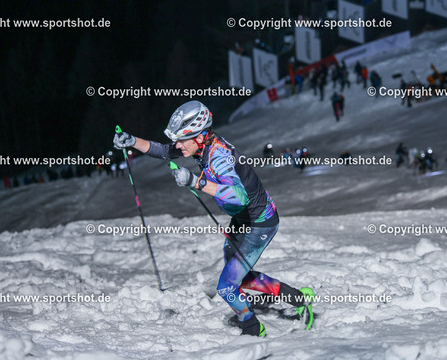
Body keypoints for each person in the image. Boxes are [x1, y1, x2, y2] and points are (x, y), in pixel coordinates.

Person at [113, 100, 314, 337]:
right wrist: (132, 141)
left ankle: (253, 330)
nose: (177, 145)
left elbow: (239, 196)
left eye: (182, 140)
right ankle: (298, 297)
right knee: (239, 278)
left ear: (200, 136)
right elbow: (164, 151)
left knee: (227, 287)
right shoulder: (200, 145)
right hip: (243, 220)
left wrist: (196, 182)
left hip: (260, 223)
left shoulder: (219, 157)